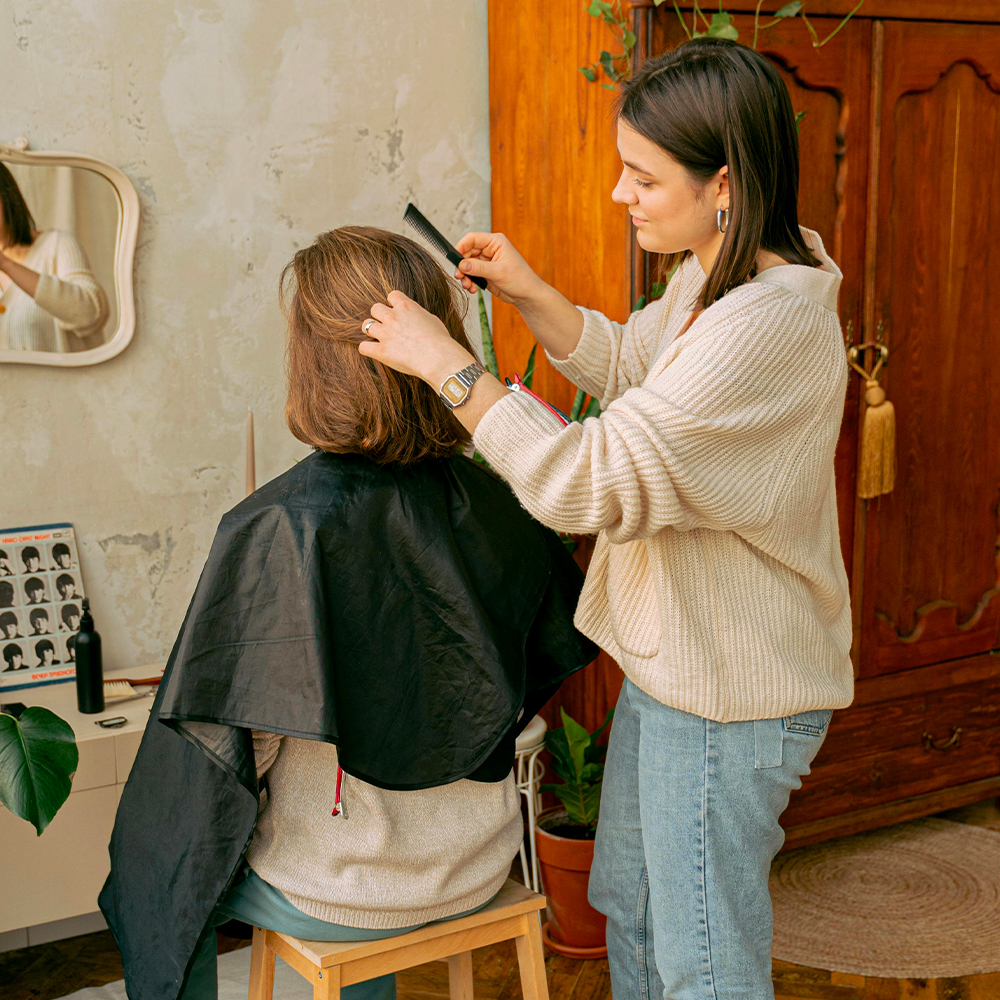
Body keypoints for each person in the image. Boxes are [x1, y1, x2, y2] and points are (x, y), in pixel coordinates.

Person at [358, 38, 853, 1000]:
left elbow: (584, 483)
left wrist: (449, 370)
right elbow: (637, 367)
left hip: (728, 698)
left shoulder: (767, 324)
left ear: (725, 182)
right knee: (632, 907)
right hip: (682, 674)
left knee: (700, 964)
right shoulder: (723, 272)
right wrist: (532, 292)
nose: (621, 195)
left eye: (643, 177)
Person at [101, 226, 597, 1000]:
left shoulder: (280, 526)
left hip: (343, 889)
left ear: (317, 359)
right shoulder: (503, 500)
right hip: (476, 862)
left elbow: (239, 746)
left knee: (170, 845)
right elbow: (530, 671)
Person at [0, 163, 110, 353]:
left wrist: (6, 264)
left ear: (6, 198)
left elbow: (91, 313)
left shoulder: (57, 245)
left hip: (71, 383)